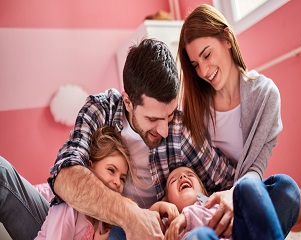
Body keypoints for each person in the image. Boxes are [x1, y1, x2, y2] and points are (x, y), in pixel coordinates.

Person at [0, 38, 236, 240]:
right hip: (68, 226)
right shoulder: (101, 109)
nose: (164, 129)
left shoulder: (179, 130)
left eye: (170, 114)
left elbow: (230, 179)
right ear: (128, 101)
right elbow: (65, 175)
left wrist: (231, 195)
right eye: (153, 118)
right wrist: (129, 214)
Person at [177, 4, 301, 239]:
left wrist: (233, 195)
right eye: (195, 65)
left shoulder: (265, 95)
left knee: (286, 189)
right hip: (208, 212)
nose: (203, 71)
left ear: (226, 38)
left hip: (246, 201)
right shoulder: (195, 108)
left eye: (207, 54)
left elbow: (256, 168)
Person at [35, 126, 135, 239]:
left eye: (122, 178)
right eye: (111, 170)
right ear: (90, 167)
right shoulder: (68, 207)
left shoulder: (101, 222)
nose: (117, 182)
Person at [151, 166, 230, 240]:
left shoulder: (210, 202)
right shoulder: (168, 221)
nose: (182, 176)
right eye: (173, 181)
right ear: (168, 200)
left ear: (202, 190)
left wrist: (186, 217)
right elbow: (145, 225)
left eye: (190, 175)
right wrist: (158, 207)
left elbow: (219, 216)